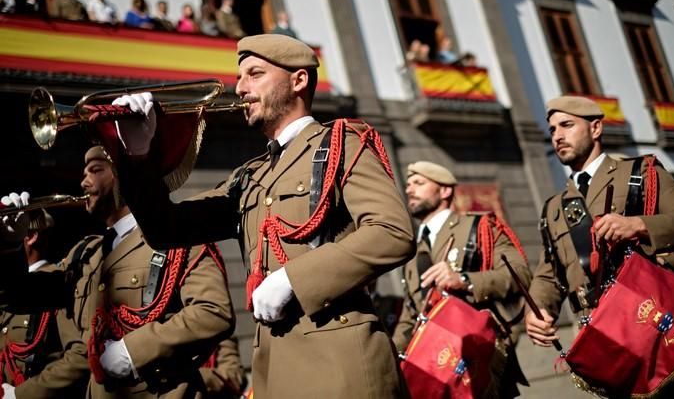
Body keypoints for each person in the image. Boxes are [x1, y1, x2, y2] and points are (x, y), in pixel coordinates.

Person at [109, 33, 416, 398]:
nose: (240, 88)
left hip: (340, 365)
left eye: (254, 74)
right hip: (274, 369)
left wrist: (293, 279)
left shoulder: (340, 143)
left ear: (298, 80)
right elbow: (166, 228)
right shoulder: (249, 176)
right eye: (240, 77)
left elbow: (392, 231)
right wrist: (139, 155)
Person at [0, 146, 235, 398]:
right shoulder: (85, 254)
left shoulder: (178, 236)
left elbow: (213, 313)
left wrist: (131, 351)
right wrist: (11, 244)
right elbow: (17, 296)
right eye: (84, 172)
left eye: (95, 170)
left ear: (122, 175)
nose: (83, 181)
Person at [526, 96, 674, 349]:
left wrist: (639, 225)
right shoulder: (554, 208)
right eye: (552, 129)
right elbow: (549, 273)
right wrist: (536, 310)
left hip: (649, 321)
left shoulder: (640, 173)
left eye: (566, 125)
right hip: (596, 335)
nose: (557, 136)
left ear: (596, 128)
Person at [393, 161, 531, 398]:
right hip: (437, 371)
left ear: (445, 191)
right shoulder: (411, 251)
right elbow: (412, 313)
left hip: (480, 360)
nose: (409, 190)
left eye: (419, 183)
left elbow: (520, 274)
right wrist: (392, 356)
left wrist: (465, 279)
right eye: (408, 184)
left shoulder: (479, 227)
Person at [0, 207, 88, 399]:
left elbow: (79, 356)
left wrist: (20, 394)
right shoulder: (8, 290)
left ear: (30, 236)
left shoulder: (57, 284)